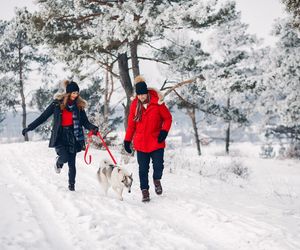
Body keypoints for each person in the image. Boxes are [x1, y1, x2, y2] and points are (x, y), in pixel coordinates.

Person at [22, 80, 98, 191]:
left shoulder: (79, 106)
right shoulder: (57, 104)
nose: (75, 95)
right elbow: (43, 117)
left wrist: (93, 128)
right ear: (68, 93)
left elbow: (85, 122)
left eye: (77, 93)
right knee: (64, 157)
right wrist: (30, 127)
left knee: (72, 163)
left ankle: (72, 187)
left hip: (73, 135)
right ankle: (58, 163)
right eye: (73, 93)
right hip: (60, 135)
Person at [124, 76, 172, 202]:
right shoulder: (134, 105)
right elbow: (131, 125)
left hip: (156, 141)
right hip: (141, 143)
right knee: (143, 169)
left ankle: (157, 180)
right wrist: (127, 140)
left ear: (147, 92)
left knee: (158, 166)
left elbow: (168, 118)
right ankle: (144, 191)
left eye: (143, 94)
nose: (141, 97)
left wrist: (164, 131)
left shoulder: (158, 103)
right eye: (139, 95)